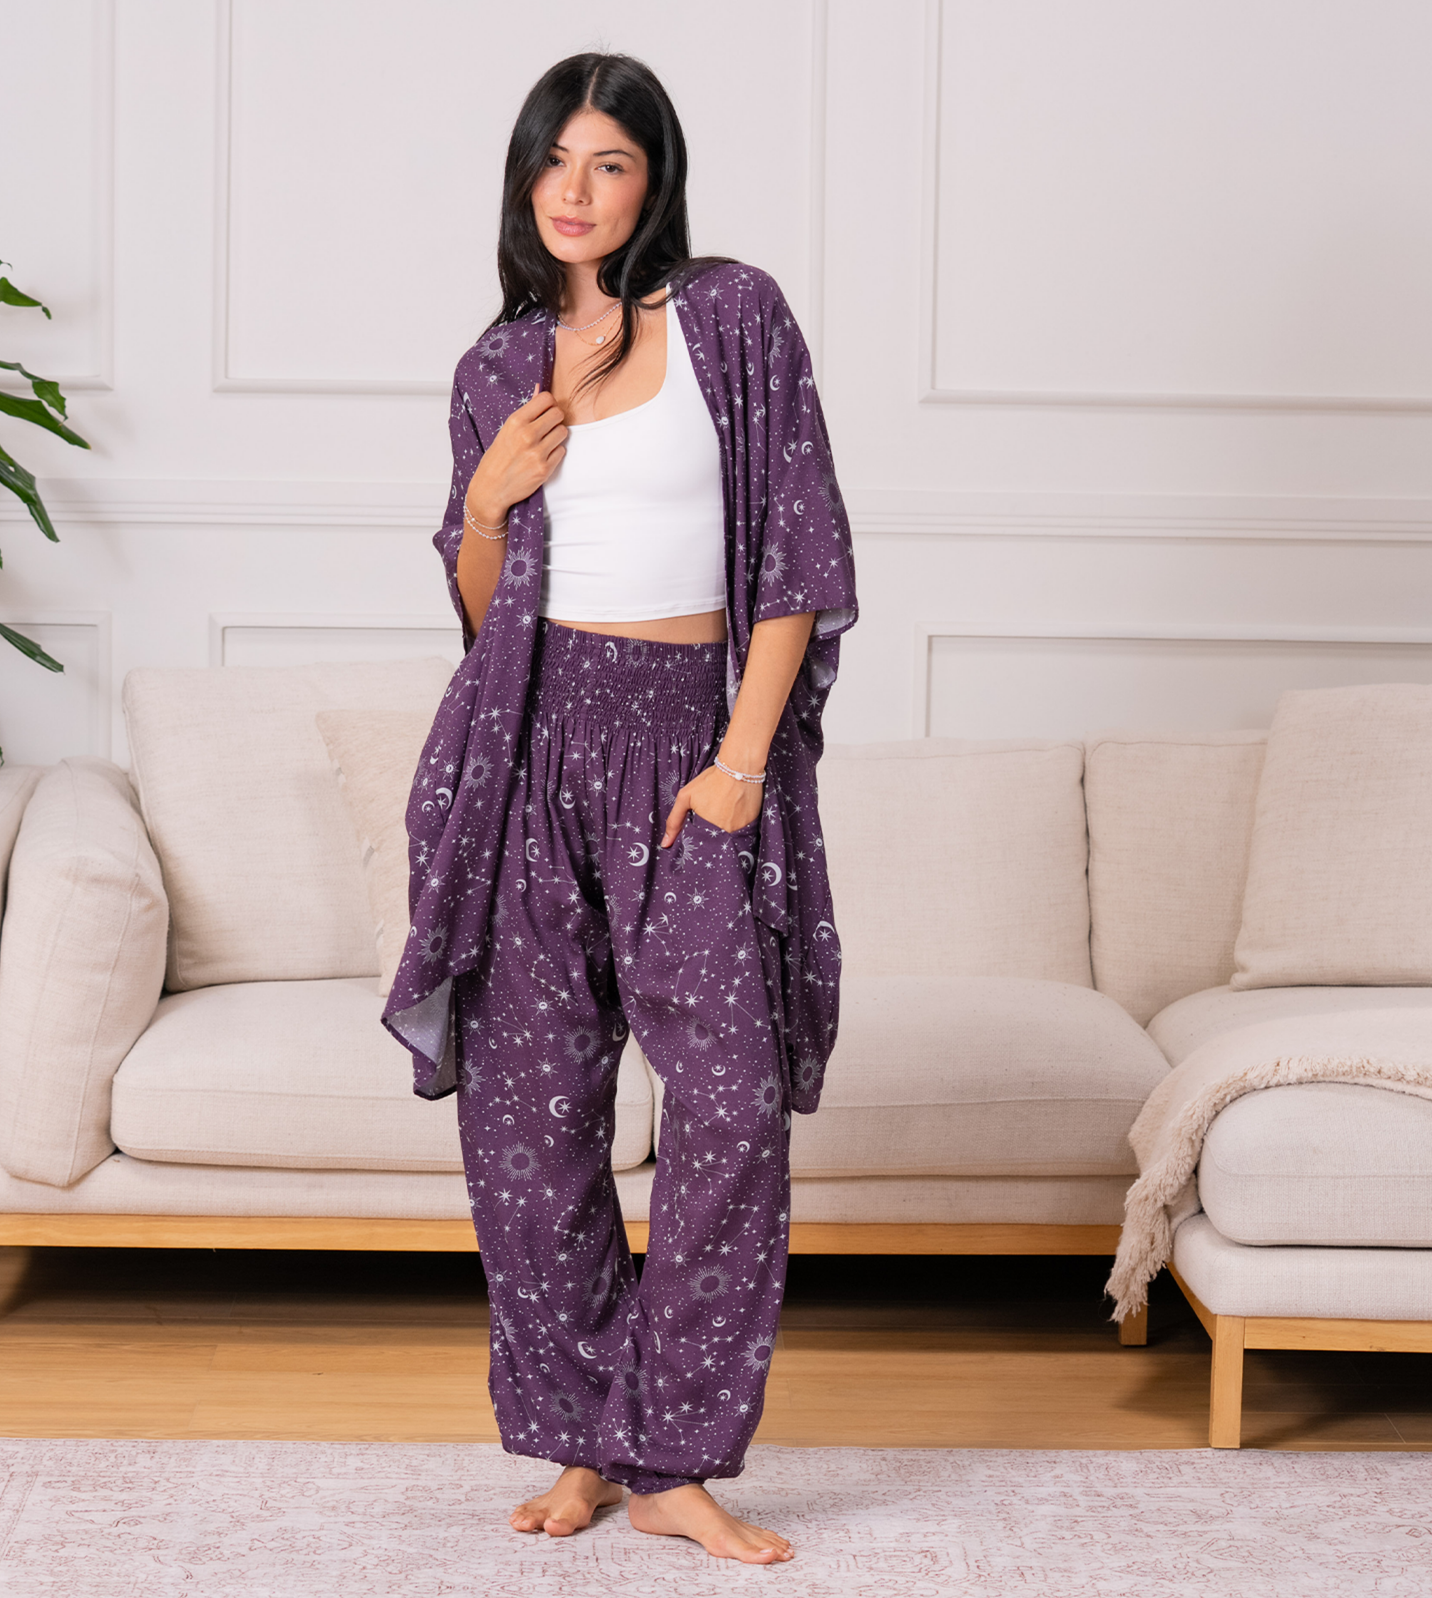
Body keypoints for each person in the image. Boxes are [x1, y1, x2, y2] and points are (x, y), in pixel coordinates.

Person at [382, 52, 857, 1565]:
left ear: (656, 182)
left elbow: (796, 555)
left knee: (730, 1105)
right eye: (554, 162)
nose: (576, 192)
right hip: (528, 752)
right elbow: (485, 614)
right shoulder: (497, 368)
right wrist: (485, 501)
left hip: (691, 748)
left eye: (610, 164)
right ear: (524, 180)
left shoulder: (731, 317)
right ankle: (587, 1440)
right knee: (533, 1123)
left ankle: (676, 1458)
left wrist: (738, 764)